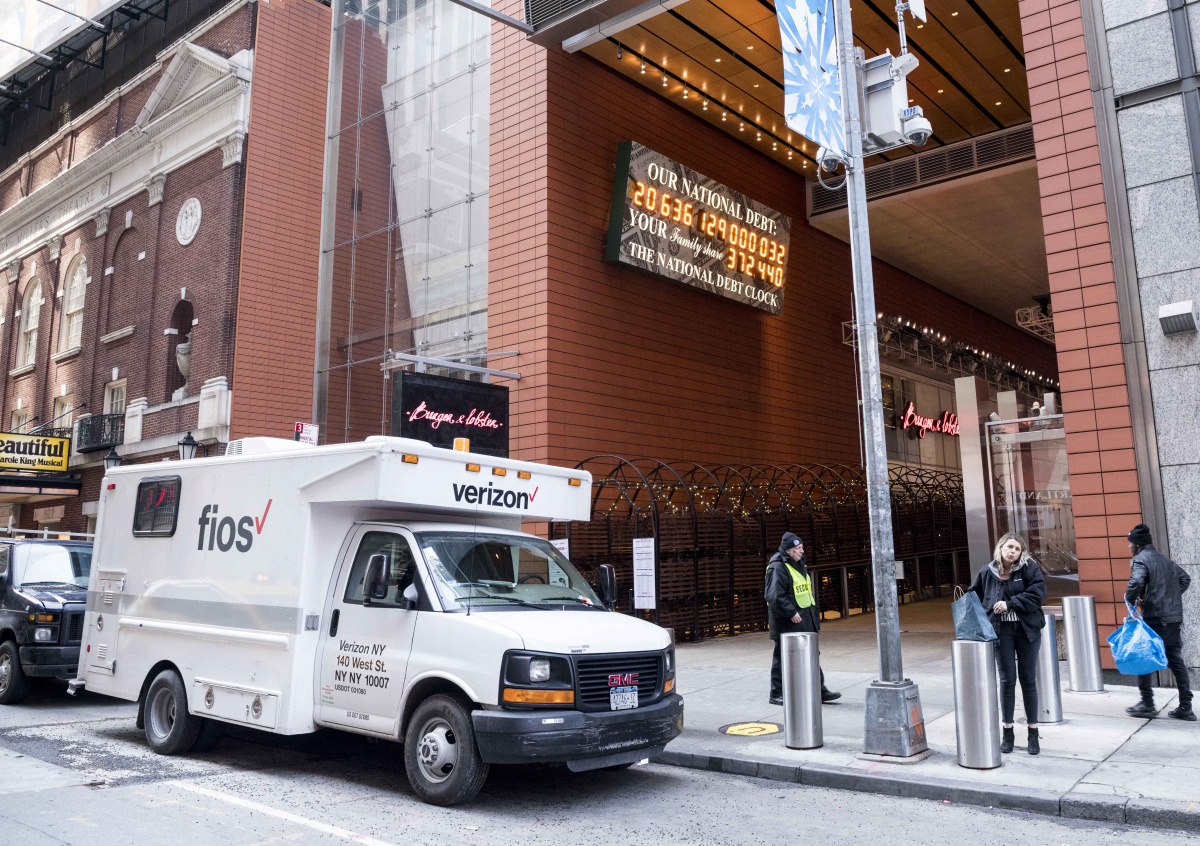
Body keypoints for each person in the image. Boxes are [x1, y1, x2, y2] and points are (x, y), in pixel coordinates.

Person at [969, 532, 1046, 755]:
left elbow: (1037, 595)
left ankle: (1033, 733)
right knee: (1007, 680)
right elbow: (975, 597)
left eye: (1017, 549)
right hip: (1001, 632)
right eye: (1009, 547)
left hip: (1026, 631)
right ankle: (1008, 732)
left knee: (1028, 679)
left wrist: (1010, 603)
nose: (1012, 551)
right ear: (1001, 547)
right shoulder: (987, 571)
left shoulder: (1029, 569)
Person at [1124, 524, 1193, 721]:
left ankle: (1147, 703)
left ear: (1137, 544)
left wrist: (1131, 600)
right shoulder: (1166, 560)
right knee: (1175, 659)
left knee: (1142, 658)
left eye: (1130, 543)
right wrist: (1168, 597)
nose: (1129, 546)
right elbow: (1185, 579)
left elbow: (1136, 582)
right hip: (1173, 618)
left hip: (1155, 618)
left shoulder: (1140, 560)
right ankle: (1186, 707)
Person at [765, 532, 840, 706]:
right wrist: (791, 612)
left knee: (811, 654)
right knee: (782, 657)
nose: (802, 551)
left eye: (802, 547)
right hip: (787, 622)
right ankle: (776, 693)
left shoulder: (798, 564)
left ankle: (819, 690)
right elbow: (774, 596)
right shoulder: (778, 567)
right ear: (789, 550)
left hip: (805, 619)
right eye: (798, 548)